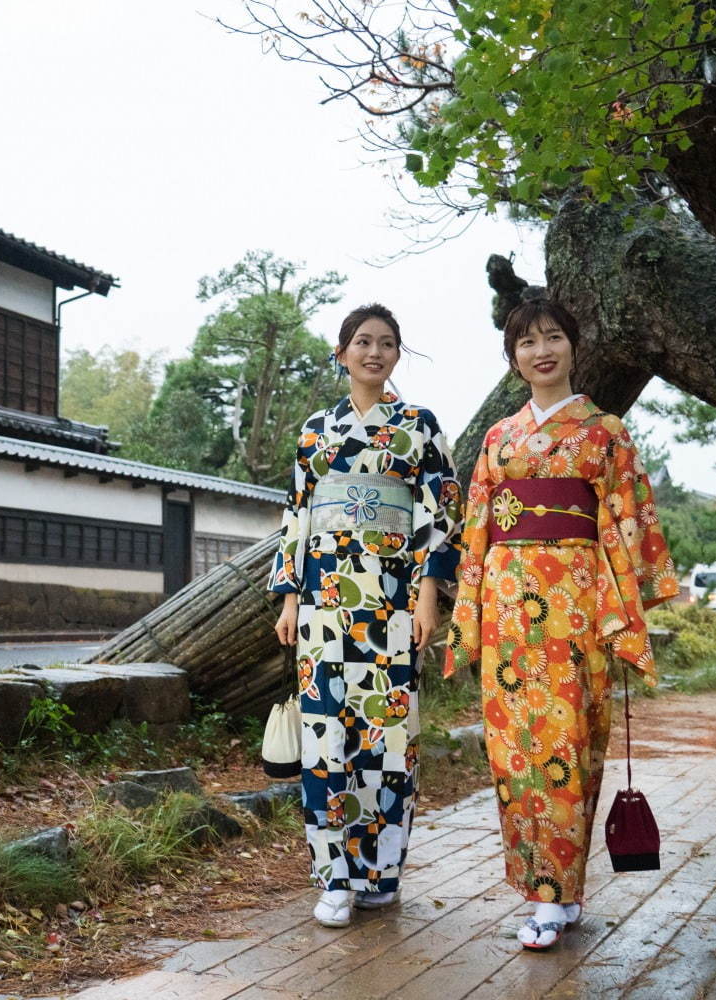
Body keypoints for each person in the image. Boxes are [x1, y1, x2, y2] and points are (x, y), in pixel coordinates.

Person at [444, 300, 678, 950]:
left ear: (574, 346)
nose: (540, 350)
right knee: (512, 748)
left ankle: (558, 890)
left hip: (577, 596)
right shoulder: (498, 438)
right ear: (512, 357)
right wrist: (473, 601)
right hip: (506, 605)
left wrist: (619, 605)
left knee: (571, 743)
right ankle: (546, 891)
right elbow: (477, 529)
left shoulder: (605, 432)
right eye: (526, 342)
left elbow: (629, 519)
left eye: (553, 337)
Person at [269, 303, 464, 928]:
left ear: (397, 355)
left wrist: (430, 595)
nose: (373, 352)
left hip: (391, 601)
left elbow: (443, 515)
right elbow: (295, 516)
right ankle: (333, 877)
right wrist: (290, 595)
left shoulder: (417, 427)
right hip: (325, 603)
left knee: (388, 740)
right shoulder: (314, 431)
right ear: (341, 352)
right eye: (362, 342)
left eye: (385, 343)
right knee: (325, 739)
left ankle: (381, 871)